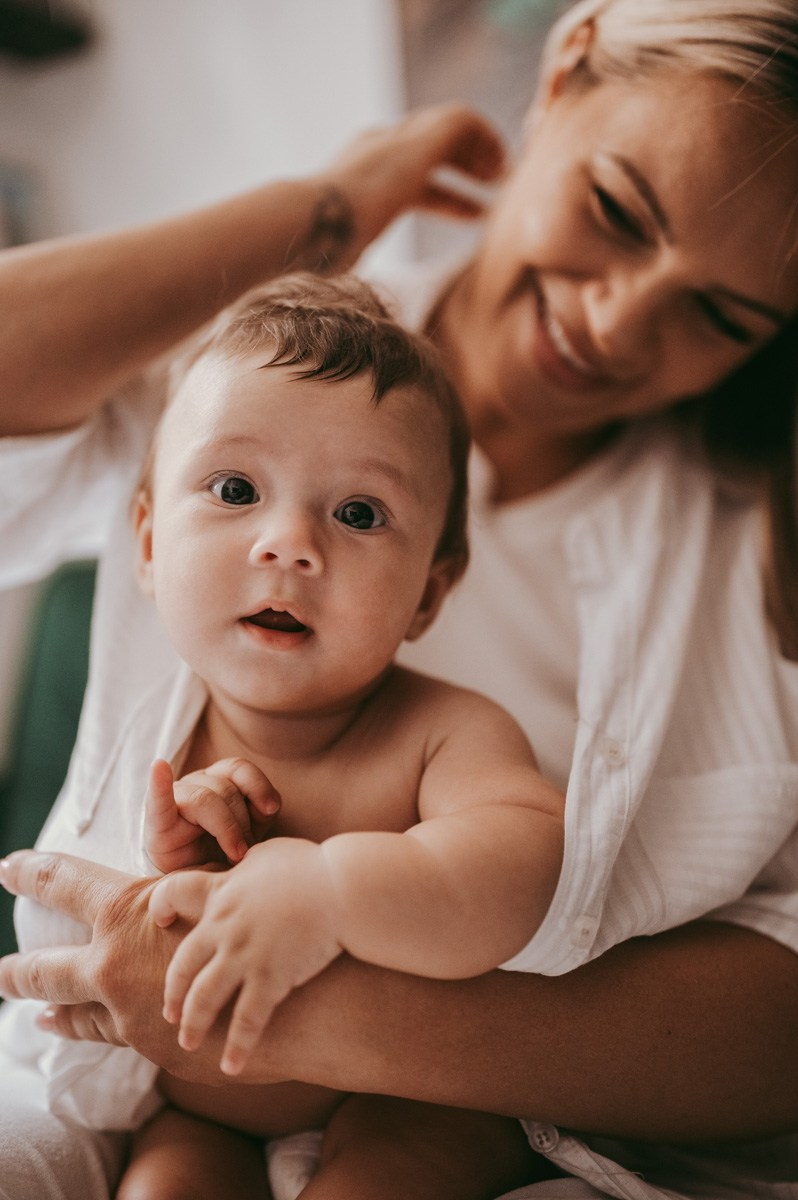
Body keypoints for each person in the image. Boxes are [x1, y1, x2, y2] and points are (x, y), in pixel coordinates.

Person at [1, 1, 798, 1196]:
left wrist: (303, 1003)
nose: (614, 320)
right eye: (615, 213)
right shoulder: (244, 374)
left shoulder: (748, 543)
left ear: (436, 590)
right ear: (565, 69)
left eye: (720, 316)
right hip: (121, 1091)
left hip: (487, 1133)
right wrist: (330, 206)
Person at [34, 270, 564, 1200]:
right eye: (236, 488)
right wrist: (174, 875)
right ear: (151, 547)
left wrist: (329, 887)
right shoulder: (154, 729)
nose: (289, 543)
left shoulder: (440, 733)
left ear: (429, 593)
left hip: (407, 1102)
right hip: (204, 1109)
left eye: (358, 513)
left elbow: (527, 860)